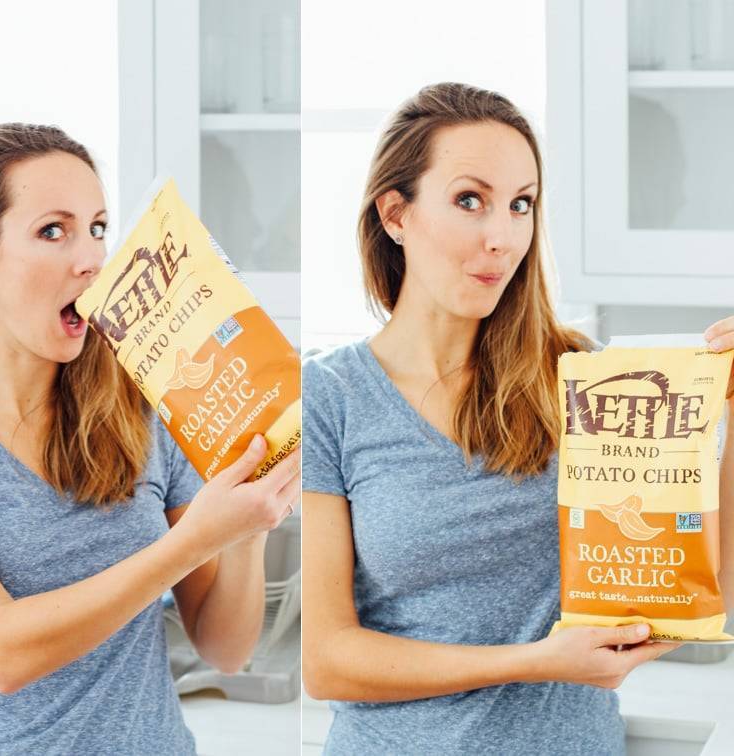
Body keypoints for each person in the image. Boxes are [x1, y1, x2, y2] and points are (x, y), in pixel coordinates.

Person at [301, 81, 734, 754]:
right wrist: (535, 661)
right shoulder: (330, 396)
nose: (502, 237)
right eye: (469, 200)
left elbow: (694, 591)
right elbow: (328, 661)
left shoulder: (586, 379)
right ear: (395, 213)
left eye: (521, 204)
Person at [0, 123, 300, 755]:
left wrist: (247, 527)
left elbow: (224, 650)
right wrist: (196, 539)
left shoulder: (146, 410)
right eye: (54, 231)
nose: (92, 259)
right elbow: (1, 652)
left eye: (98, 229)